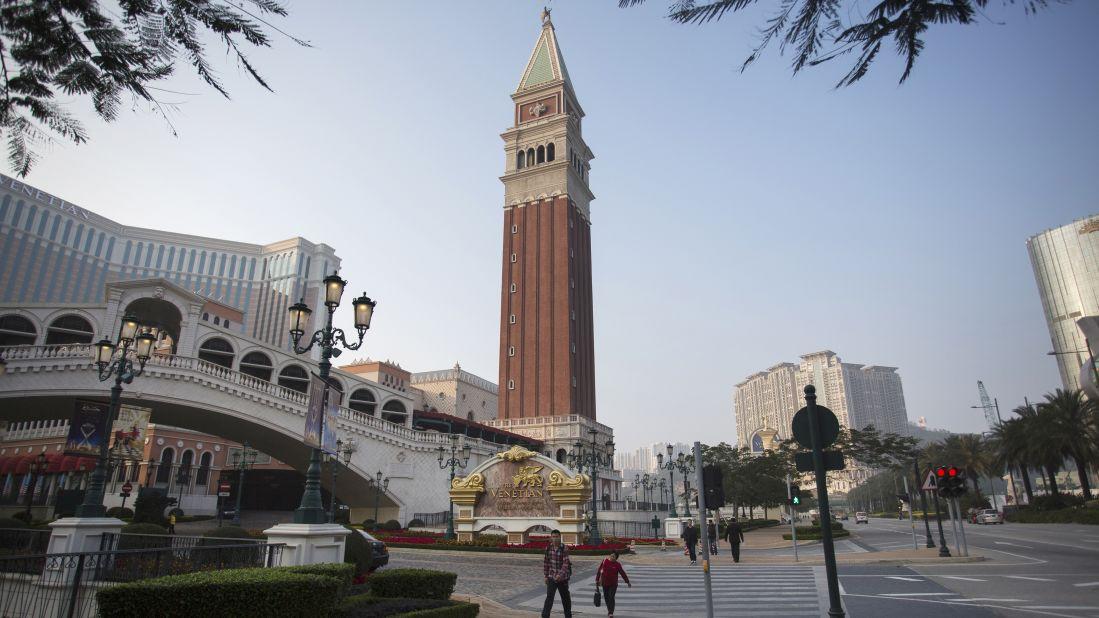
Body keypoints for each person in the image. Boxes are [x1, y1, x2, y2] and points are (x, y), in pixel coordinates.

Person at [542, 529, 572, 618]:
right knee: (549, 598)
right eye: (553, 537)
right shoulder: (548, 548)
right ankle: (545, 616)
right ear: (551, 538)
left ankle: (568, 615)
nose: (555, 539)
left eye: (557, 537)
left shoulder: (564, 548)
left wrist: (560, 575)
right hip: (552, 576)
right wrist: (546, 576)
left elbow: (566, 563)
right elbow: (546, 563)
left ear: (560, 537)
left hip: (562, 578)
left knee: (565, 598)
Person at [595, 550, 631, 618]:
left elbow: (622, 573)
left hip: (613, 584)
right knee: (606, 597)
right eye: (611, 556)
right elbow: (599, 571)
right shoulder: (605, 561)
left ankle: (610, 612)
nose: (611, 557)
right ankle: (609, 610)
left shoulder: (617, 564)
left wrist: (627, 581)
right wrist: (597, 580)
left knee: (611, 597)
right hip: (605, 583)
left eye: (613, 556)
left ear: (616, 558)